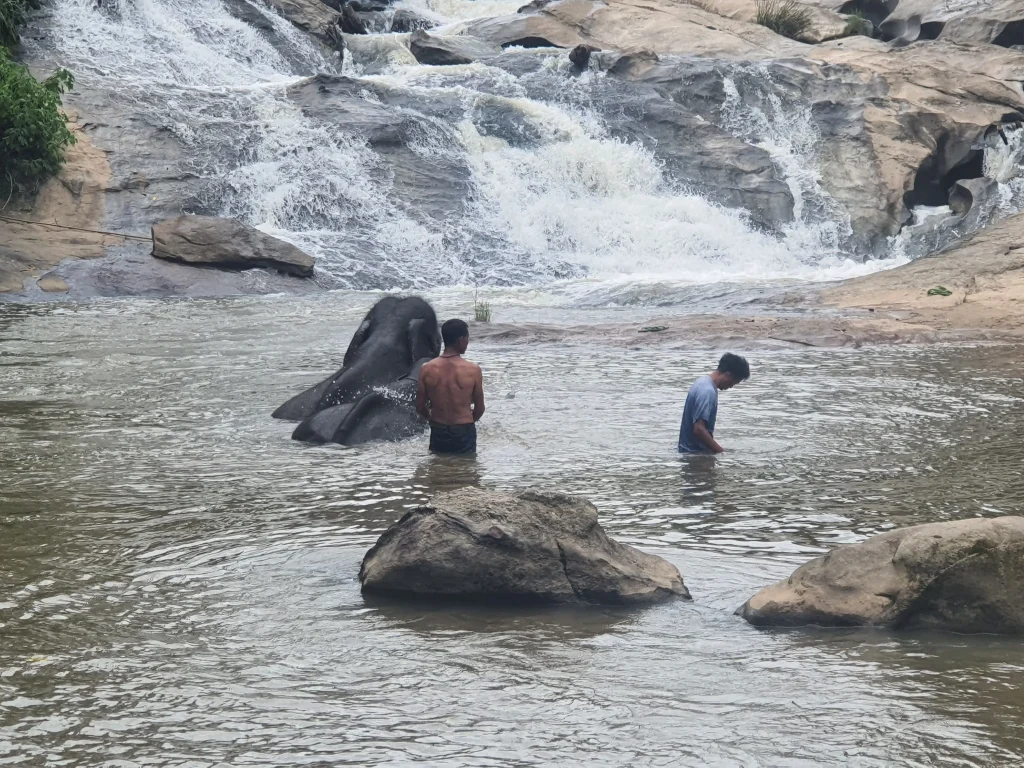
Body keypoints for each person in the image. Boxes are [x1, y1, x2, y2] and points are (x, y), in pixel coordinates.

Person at [416, 318, 485, 454]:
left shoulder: (427, 369)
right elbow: (480, 409)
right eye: (467, 339)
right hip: (464, 430)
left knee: (438, 469)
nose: (467, 343)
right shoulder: (473, 370)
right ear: (461, 340)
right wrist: (468, 422)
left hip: (438, 429)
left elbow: (420, 407)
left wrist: (433, 420)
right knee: (466, 470)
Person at [678, 353, 750, 454]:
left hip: (689, 452)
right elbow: (698, 429)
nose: (731, 387)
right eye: (733, 383)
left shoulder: (702, 382)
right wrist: (721, 452)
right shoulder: (707, 391)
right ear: (728, 375)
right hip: (696, 455)